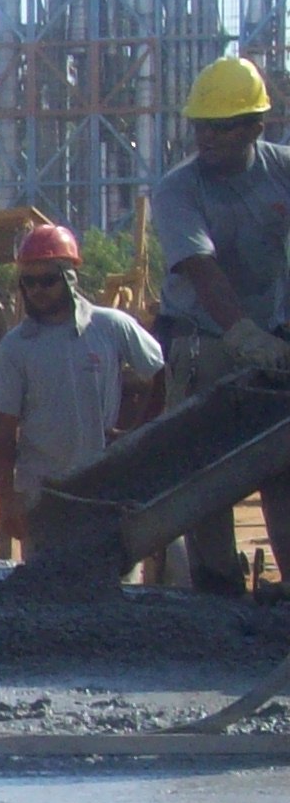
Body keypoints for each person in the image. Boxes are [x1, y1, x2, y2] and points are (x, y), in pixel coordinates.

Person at [150, 55, 290, 592]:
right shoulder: (179, 189)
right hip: (204, 342)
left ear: (256, 125)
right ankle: (217, 586)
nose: (206, 137)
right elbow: (202, 271)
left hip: (273, 340)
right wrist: (244, 337)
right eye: (199, 126)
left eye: (220, 126)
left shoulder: (280, 171)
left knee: (282, 467)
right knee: (204, 474)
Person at [0, 223, 162, 545]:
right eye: (29, 282)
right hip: (43, 493)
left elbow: (161, 372)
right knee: (48, 585)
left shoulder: (110, 327)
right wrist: (7, 502)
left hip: (107, 488)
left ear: (69, 277)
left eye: (48, 280)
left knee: (111, 580)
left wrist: (140, 433)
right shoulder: (16, 347)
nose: (37, 290)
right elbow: (4, 432)